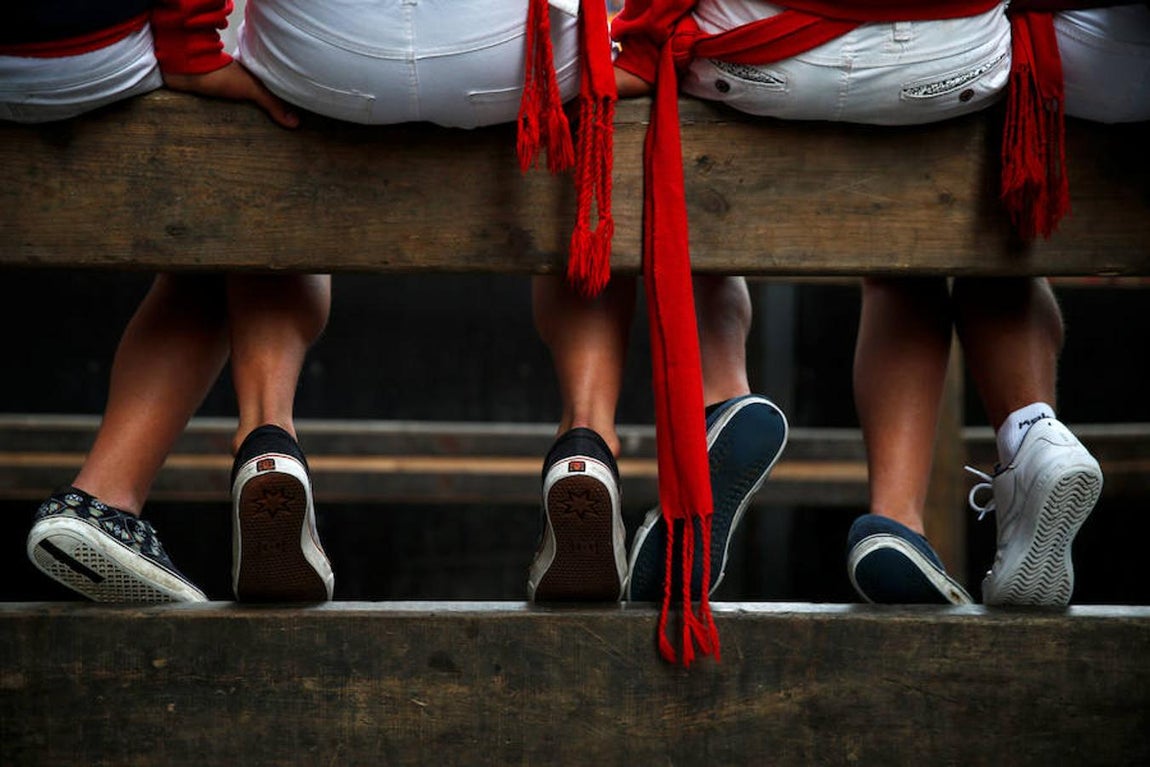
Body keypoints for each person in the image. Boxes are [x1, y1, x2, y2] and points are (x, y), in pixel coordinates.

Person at [9, 0, 330, 603]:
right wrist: (194, 57)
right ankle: (263, 436)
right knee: (254, 158)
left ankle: (104, 500)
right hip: (76, 58)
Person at [849, 3, 1148, 607]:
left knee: (905, 249)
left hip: (1031, 48)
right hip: (1122, 57)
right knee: (999, 246)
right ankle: (1034, 437)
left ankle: (896, 520)